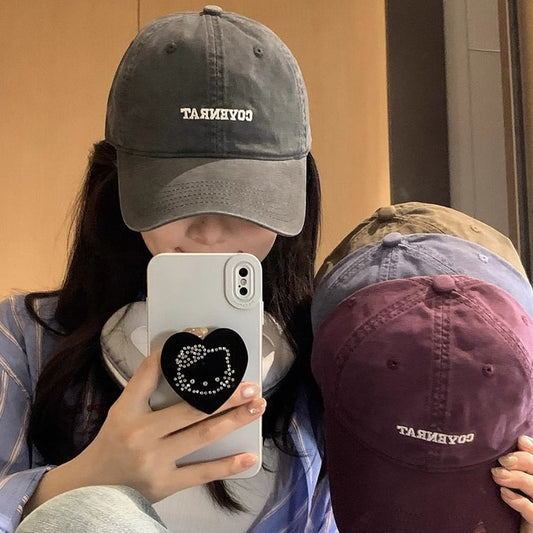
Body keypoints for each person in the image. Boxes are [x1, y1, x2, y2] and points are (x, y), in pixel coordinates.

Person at [0, 7, 336, 533]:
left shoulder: (328, 353)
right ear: (114, 183)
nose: (210, 233)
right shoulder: (21, 341)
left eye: (248, 202)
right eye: (179, 196)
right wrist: (79, 487)